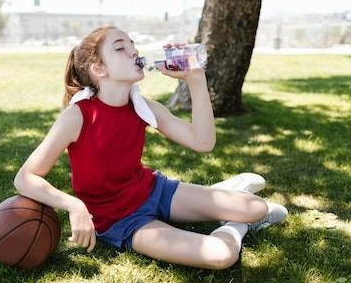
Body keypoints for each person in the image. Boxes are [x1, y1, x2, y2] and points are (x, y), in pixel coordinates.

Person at [14, 26, 287, 269]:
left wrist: (195, 80)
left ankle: (229, 202)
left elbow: (203, 142)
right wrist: (73, 205)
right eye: (121, 48)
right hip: (121, 220)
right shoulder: (78, 116)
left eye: (133, 45)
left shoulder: (143, 107)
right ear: (99, 68)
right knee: (221, 255)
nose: (134, 51)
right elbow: (25, 178)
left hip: (153, 191)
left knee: (257, 209)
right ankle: (234, 223)